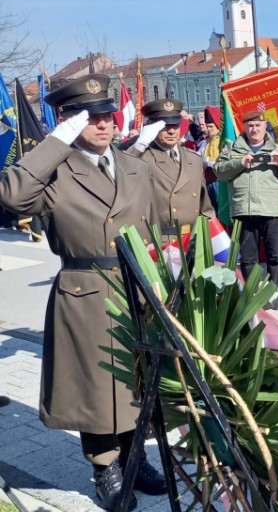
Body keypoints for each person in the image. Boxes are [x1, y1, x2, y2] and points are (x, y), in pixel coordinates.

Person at [0, 74, 165, 510]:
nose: (104, 123)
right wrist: (56, 143)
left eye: (107, 114)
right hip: (83, 291)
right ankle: (105, 466)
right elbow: (12, 196)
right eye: (90, 117)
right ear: (68, 122)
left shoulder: (137, 167)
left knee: (135, 380)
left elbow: (153, 230)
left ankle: (134, 455)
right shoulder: (54, 170)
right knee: (97, 386)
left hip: (135, 290)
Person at [214, 110, 278, 285]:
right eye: (250, 126)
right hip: (244, 212)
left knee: (276, 256)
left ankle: (275, 291)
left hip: (272, 211)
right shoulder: (232, 149)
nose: (254, 129)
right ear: (244, 127)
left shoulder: (277, 150)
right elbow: (219, 172)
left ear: (265, 127)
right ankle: (250, 295)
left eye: (258, 125)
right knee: (248, 258)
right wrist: (240, 163)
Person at [131, 98, 215, 239]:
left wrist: (211, 240)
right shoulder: (143, 158)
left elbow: (205, 207)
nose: (171, 131)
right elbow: (122, 174)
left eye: (175, 125)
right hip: (161, 241)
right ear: (152, 127)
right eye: (165, 126)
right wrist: (139, 145)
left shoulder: (193, 159)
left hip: (194, 239)